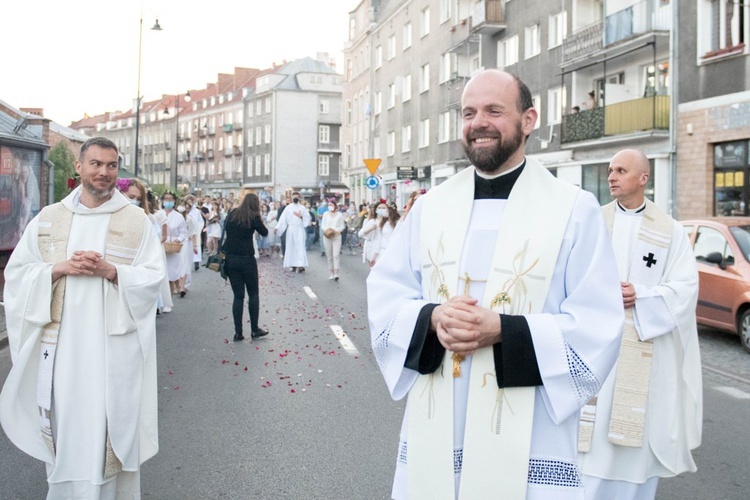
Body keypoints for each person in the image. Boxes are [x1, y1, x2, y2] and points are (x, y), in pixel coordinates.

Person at [366, 70, 624, 499]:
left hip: (531, 425)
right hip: (439, 415)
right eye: (468, 113)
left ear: (528, 120)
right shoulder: (431, 208)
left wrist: (503, 329)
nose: (477, 122)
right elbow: (387, 293)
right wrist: (432, 318)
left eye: (493, 110)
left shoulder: (573, 211)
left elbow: (598, 321)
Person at [0, 137, 164, 498]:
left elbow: (154, 278)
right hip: (61, 353)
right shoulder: (49, 219)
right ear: (79, 167)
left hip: (113, 351)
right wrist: (59, 268)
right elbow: (16, 275)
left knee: (108, 427)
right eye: (95, 164)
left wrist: (111, 271)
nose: (103, 172)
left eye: (110, 165)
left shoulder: (135, 220)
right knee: (66, 430)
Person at [578, 149, 702, 500]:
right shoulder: (593, 222)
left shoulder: (670, 231)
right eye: (610, 170)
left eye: (621, 170)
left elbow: (685, 288)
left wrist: (643, 296)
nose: (611, 176)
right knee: (591, 437)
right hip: (599, 345)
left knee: (634, 436)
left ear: (643, 178)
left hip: (642, 348)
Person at [222, 193, 269, 341]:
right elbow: (265, 232)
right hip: (247, 259)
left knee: (238, 296)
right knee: (253, 294)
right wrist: (258, 218)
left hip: (231, 259)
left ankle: (238, 332)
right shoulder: (253, 217)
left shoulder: (232, 214)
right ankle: (254, 329)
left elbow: (226, 231)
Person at [160, 191, 188, 296]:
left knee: (171, 274)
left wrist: (178, 240)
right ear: (162, 201)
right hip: (160, 246)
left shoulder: (178, 216)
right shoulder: (158, 214)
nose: (168, 201)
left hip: (173, 246)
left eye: (171, 199)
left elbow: (183, 233)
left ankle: (169, 299)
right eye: (166, 199)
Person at [275, 192, 311, 272]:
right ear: (292, 198)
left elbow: (307, 218)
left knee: (300, 247)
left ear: (299, 198)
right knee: (291, 247)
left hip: (299, 229)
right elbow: (282, 219)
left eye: (296, 197)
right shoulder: (288, 208)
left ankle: (300, 265)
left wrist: (301, 216)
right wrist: (277, 227)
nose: (295, 198)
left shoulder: (302, 208)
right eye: (294, 197)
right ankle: (293, 264)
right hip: (291, 229)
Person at [370, 201, 399, 267]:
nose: (382, 211)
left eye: (384, 209)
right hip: (382, 252)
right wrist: (374, 256)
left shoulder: (398, 223)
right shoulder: (383, 223)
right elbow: (380, 239)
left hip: (393, 252)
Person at [321, 200, 346, 281]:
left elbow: (342, 226)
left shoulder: (339, 215)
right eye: (329, 205)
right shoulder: (325, 214)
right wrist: (327, 230)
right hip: (327, 236)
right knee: (329, 256)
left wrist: (336, 230)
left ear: (335, 205)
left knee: (336, 255)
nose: (330, 206)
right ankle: (331, 272)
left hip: (336, 236)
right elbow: (323, 225)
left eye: (331, 204)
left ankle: (336, 273)